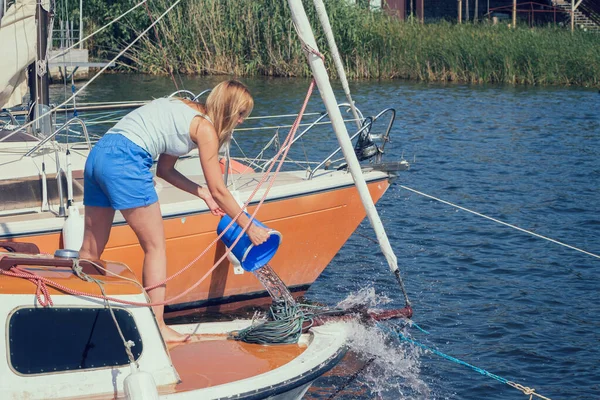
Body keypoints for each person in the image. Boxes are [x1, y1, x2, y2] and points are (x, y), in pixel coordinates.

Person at [79, 80, 270, 343]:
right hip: (127, 160)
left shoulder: (183, 108)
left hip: (99, 154)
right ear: (228, 110)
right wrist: (250, 227)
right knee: (155, 248)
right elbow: (220, 190)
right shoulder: (205, 129)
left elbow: (165, 170)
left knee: (90, 251)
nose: (241, 122)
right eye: (240, 115)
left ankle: (83, 315)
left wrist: (199, 192)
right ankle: (158, 326)